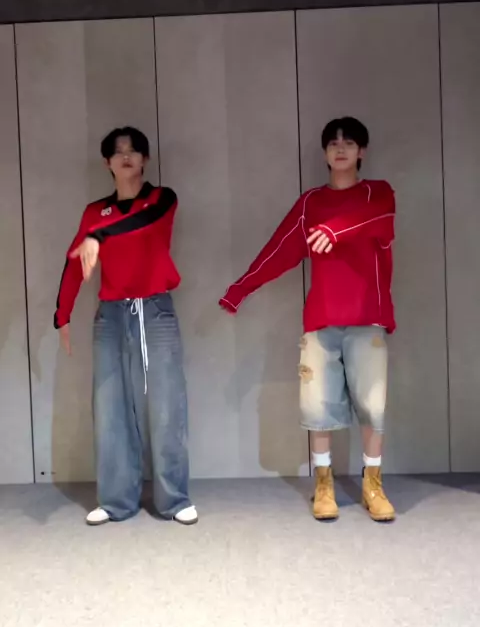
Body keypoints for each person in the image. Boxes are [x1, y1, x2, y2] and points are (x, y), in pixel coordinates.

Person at [220, 117, 396, 522]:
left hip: (368, 317)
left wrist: (335, 231)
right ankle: (324, 485)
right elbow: (279, 249)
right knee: (317, 407)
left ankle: (373, 485)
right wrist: (240, 289)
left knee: (373, 406)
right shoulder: (310, 203)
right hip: (321, 319)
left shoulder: (378, 193)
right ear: (324, 153)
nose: (340, 149)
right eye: (333, 143)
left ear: (362, 151)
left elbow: (376, 220)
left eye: (348, 143)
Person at [55, 126, 197, 527]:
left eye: (134, 151)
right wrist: (62, 314)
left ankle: (174, 499)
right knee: (110, 407)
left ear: (145, 159)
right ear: (107, 162)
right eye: (118, 152)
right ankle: (116, 500)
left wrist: (98, 237)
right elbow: (75, 261)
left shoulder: (161, 198)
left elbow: (143, 221)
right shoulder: (94, 212)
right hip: (111, 315)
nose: (126, 157)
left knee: (166, 405)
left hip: (155, 310)